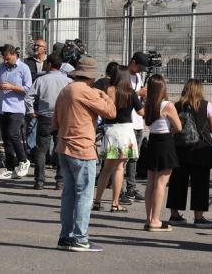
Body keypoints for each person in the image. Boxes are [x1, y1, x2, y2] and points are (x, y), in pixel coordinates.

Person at [53, 57, 116, 252]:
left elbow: (55, 122)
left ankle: (66, 236)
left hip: (63, 146)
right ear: (90, 76)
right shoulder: (86, 91)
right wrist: (105, 96)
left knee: (69, 194)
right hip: (82, 148)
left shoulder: (66, 90)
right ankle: (80, 238)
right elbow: (111, 112)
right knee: (85, 195)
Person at [167, 79, 212, 227]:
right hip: (201, 149)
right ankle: (199, 216)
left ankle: (174, 215)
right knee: (200, 183)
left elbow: (172, 128)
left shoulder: (176, 106)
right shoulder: (207, 105)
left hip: (180, 148)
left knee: (177, 181)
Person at [93, 65, 143, 212]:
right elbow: (141, 112)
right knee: (120, 168)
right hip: (126, 131)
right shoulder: (131, 93)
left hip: (110, 131)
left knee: (106, 169)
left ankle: (97, 201)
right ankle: (115, 203)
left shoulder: (108, 90)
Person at [141, 74, 182, 232]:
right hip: (165, 142)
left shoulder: (148, 104)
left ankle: (148, 218)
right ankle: (155, 220)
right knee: (161, 184)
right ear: (162, 87)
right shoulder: (168, 105)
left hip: (152, 142)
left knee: (150, 183)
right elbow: (178, 127)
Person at [25, 53, 70, 189]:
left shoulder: (41, 80)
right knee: (61, 150)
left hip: (45, 118)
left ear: (49, 65)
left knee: (41, 150)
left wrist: (31, 111)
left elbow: (28, 97)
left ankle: (39, 180)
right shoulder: (68, 81)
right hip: (62, 118)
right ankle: (60, 181)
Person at [0, 44, 33, 181]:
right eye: (4, 59)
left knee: (13, 134)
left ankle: (24, 160)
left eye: (8, 59)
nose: (6, 61)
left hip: (17, 108)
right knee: (6, 139)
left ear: (14, 55)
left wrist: (12, 87)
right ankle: (9, 169)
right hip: (3, 107)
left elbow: (28, 89)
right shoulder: (1, 67)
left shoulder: (23, 68)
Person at [122, 51, 151, 205]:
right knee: (122, 158)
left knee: (134, 157)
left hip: (138, 122)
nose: (140, 70)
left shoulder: (138, 76)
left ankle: (131, 187)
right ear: (133, 62)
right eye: (139, 67)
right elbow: (121, 94)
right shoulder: (123, 75)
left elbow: (138, 97)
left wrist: (143, 96)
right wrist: (137, 93)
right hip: (127, 123)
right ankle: (119, 190)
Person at [23, 39, 48, 157]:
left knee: (46, 128)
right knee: (32, 126)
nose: (35, 47)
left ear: (45, 48)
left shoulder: (50, 62)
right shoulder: (27, 62)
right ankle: (32, 153)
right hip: (33, 99)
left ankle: (45, 154)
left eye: (39, 45)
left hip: (45, 99)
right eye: (35, 45)